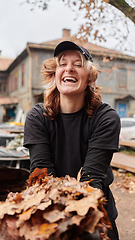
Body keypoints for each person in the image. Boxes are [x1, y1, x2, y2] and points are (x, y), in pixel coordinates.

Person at [23, 41, 121, 240]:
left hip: (94, 214)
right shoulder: (37, 117)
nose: (69, 68)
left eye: (78, 64)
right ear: (55, 75)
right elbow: (43, 178)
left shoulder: (106, 118)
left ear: (89, 77)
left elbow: (91, 179)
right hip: (49, 214)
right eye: (62, 63)